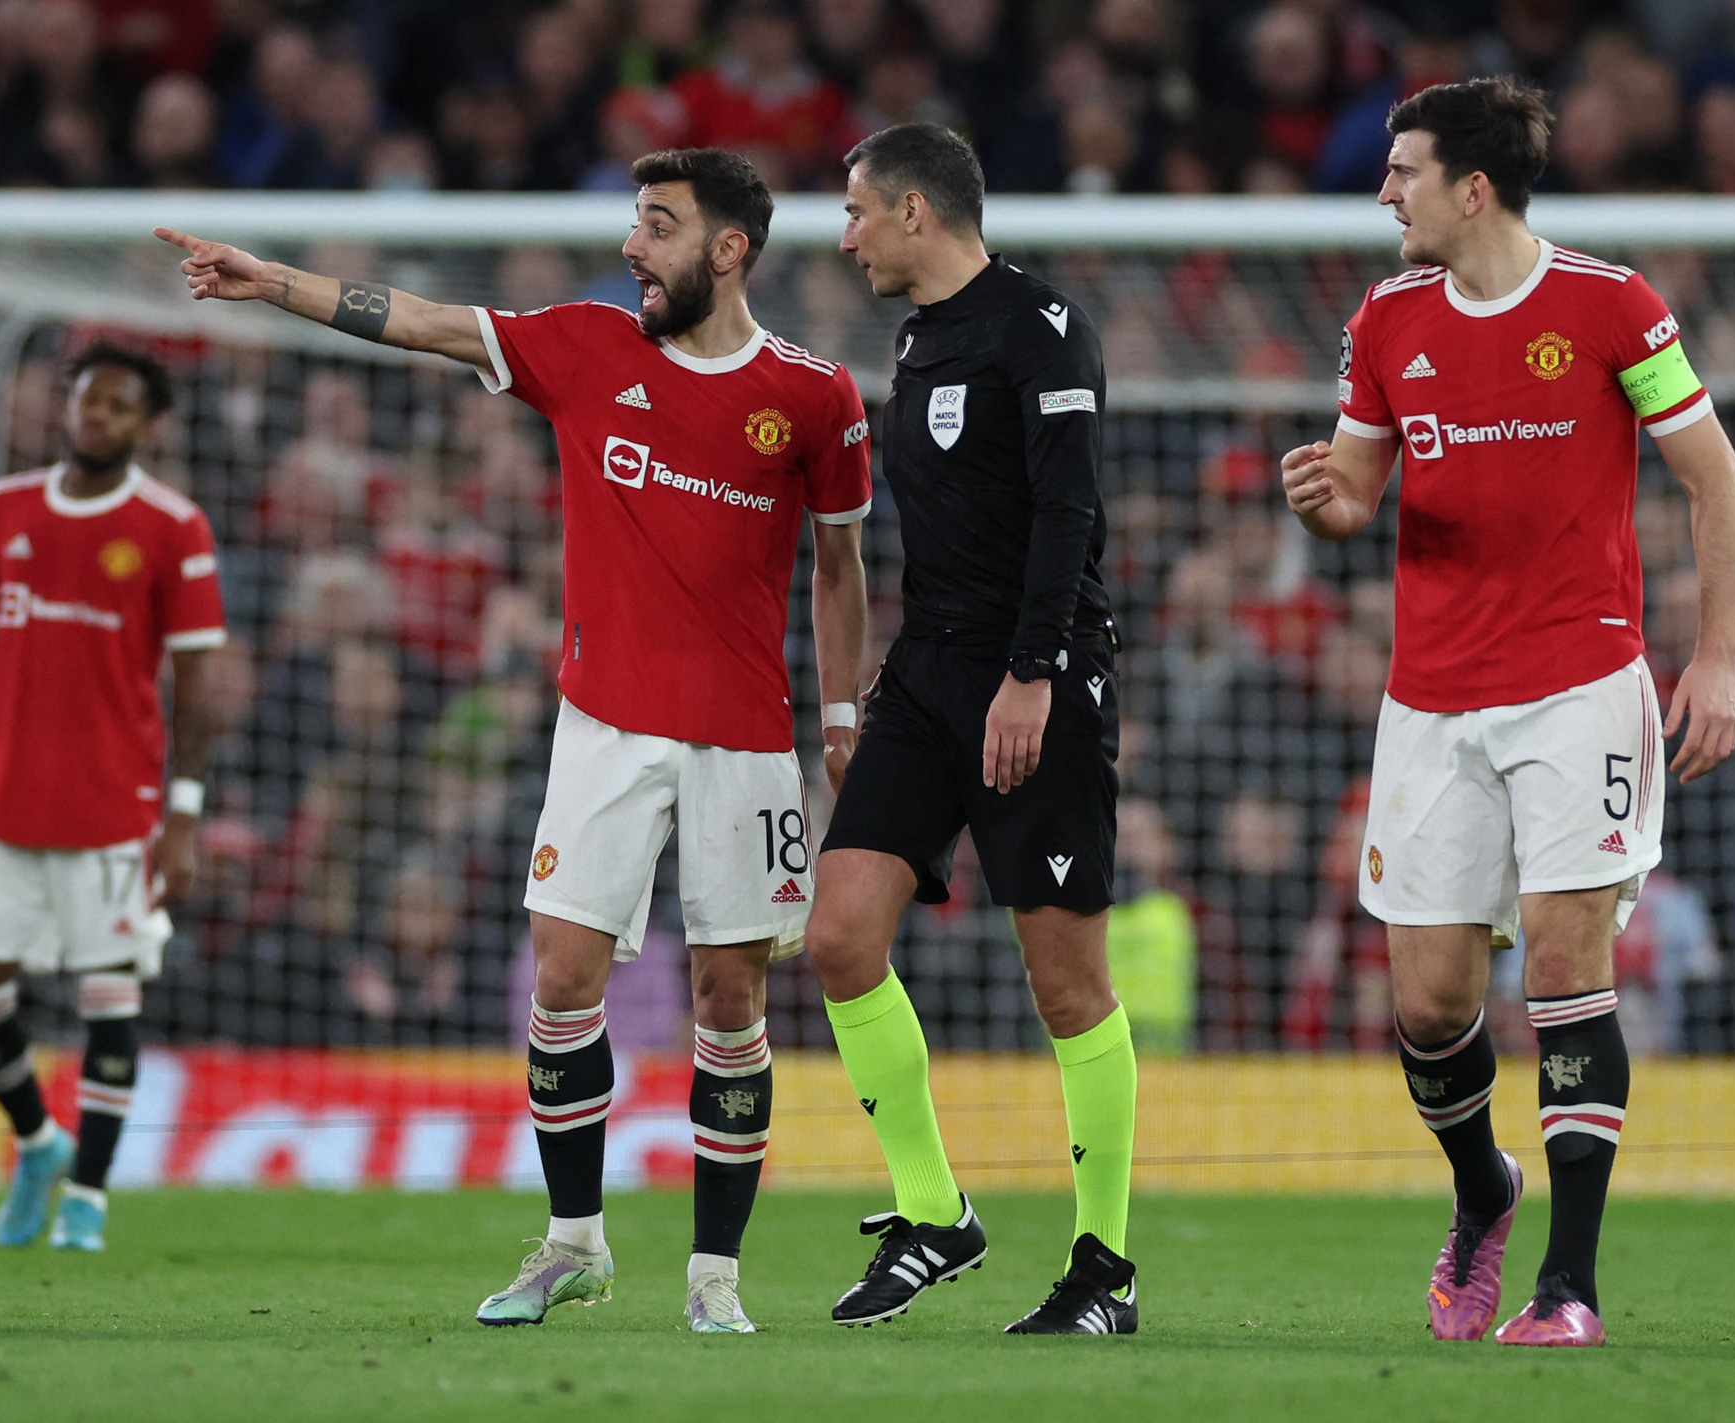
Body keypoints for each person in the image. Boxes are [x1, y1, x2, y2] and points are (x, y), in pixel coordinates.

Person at [157, 145, 872, 1334]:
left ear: (727, 250)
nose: (630, 248)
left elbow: (841, 566)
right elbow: (426, 323)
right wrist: (272, 280)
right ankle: (571, 1243)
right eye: (634, 224)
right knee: (562, 978)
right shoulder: (584, 350)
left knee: (729, 994)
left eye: (655, 225)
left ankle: (715, 1279)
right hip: (599, 727)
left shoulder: (814, 394)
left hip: (745, 741)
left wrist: (841, 719)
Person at [1281, 78, 1735, 1347]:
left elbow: (1713, 479)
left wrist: (1712, 659)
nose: (1383, 191)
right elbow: (1356, 498)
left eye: (1402, 171)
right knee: (1430, 1006)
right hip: (1429, 699)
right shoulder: (1382, 320)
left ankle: (1567, 1283)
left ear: (1470, 187)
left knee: (1560, 964)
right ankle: (1481, 1186)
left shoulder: (1608, 303)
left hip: (1579, 682)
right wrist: (1320, 498)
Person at [816, 122, 1136, 1335]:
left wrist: (1030, 673)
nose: (842, 237)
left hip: (1034, 677)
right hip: (926, 675)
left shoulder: (1039, 327)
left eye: (854, 212)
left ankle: (1104, 1267)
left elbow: (1069, 513)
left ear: (913, 212)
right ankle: (934, 1214)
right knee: (841, 936)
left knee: (1066, 987)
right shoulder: (914, 336)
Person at [0, 342, 223, 1253]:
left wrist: (181, 815)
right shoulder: (5, 509)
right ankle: (37, 1141)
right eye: (86, 398)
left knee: (110, 999)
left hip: (114, 808)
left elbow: (198, 685)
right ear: (66, 406)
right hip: (5, 799)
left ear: (147, 425)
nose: (96, 414)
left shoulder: (172, 524)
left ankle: (89, 1199)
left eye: (118, 405)